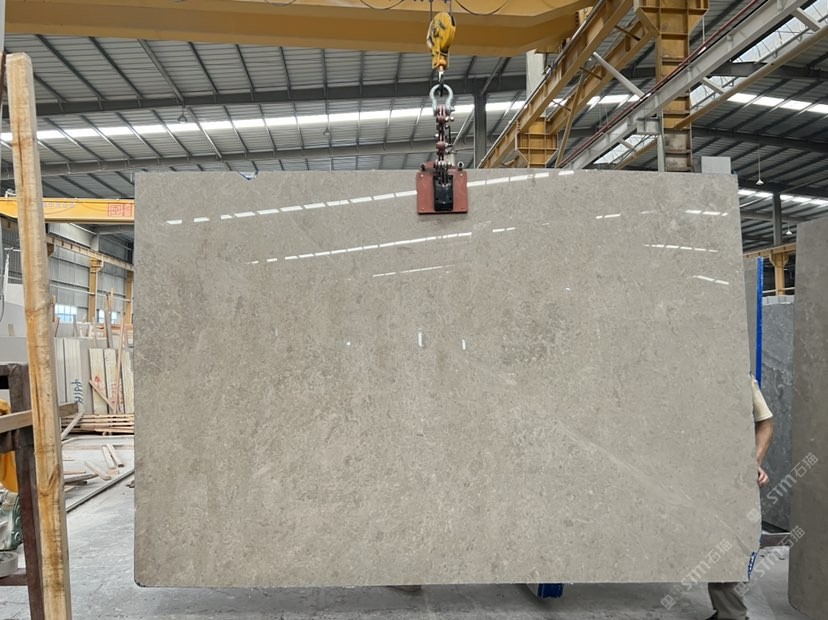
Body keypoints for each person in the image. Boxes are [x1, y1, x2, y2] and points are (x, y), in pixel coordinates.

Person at [706, 377, 774, 620]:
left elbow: (765, 422)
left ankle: (731, 614)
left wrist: (753, 462)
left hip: (726, 474)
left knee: (727, 541)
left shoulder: (740, 377)